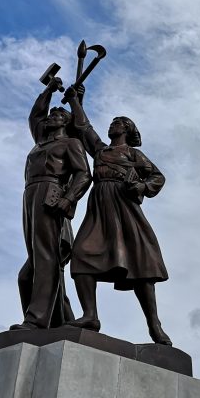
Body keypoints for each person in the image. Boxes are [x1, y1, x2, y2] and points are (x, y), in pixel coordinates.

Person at [63, 87, 172, 345]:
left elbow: (157, 176)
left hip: (124, 207)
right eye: (112, 122)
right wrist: (75, 101)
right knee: (81, 254)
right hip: (100, 206)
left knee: (140, 262)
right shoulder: (100, 151)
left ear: (127, 129)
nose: (112, 125)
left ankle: (154, 324)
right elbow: (84, 128)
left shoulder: (134, 154)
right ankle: (90, 315)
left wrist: (142, 187)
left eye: (118, 122)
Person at [12, 77, 92, 330]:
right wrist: (48, 91)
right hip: (30, 195)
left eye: (58, 114)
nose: (52, 116)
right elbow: (35, 115)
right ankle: (61, 321)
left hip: (51, 193)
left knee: (44, 259)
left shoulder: (71, 143)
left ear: (67, 122)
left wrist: (68, 198)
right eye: (52, 114)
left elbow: (84, 174)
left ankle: (36, 320)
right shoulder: (41, 140)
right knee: (31, 269)